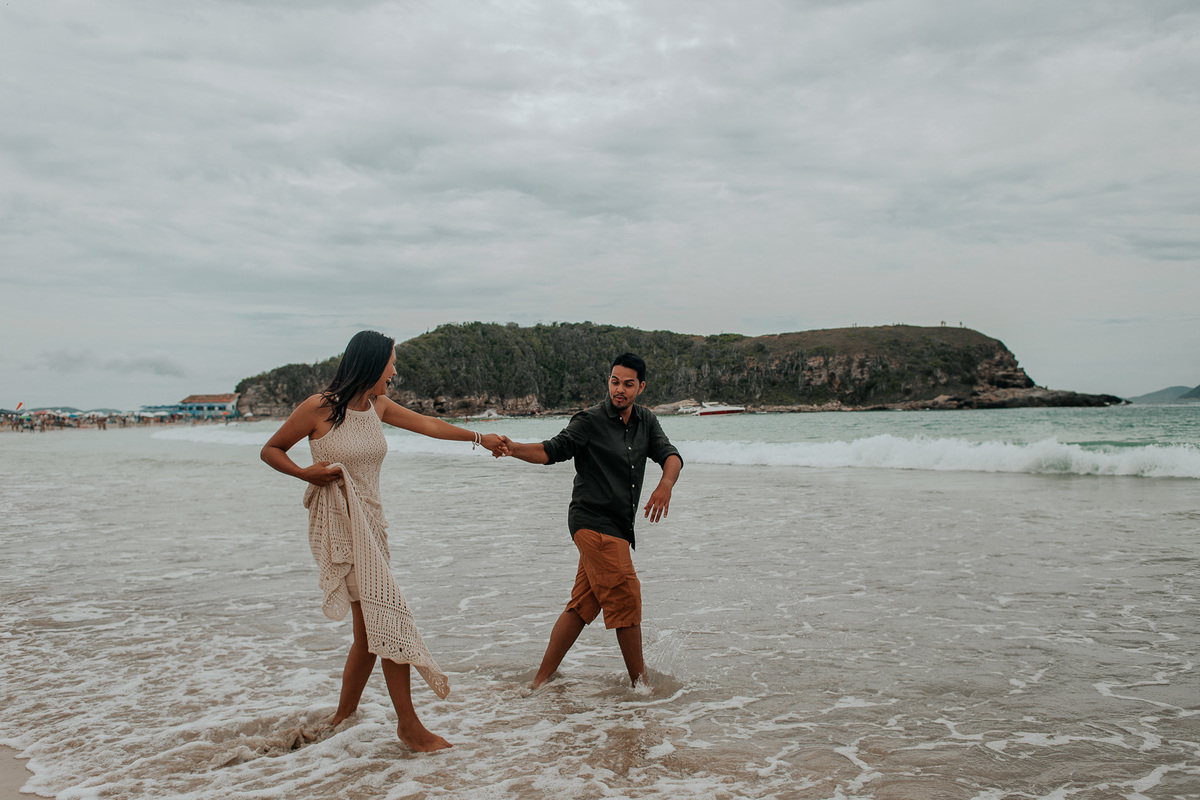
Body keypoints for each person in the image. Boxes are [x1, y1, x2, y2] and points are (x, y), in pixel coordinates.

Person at [261, 330, 505, 751]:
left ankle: (342, 717)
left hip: (374, 528)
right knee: (388, 619)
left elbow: (428, 425)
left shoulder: (377, 406)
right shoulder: (319, 408)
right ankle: (409, 727)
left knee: (368, 633)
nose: (395, 370)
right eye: (391, 362)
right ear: (372, 364)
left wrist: (480, 439)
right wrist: (305, 472)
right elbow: (271, 449)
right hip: (341, 528)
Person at [499, 353, 683, 689]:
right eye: (615, 381)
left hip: (618, 526)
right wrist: (515, 448)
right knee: (626, 595)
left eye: (628, 384)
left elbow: (670, 454)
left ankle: (539, 681)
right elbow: (552, 450)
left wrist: (665, 485)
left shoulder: (646, 421)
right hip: (590, 521)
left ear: (641, 386)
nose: (620, 390)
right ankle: (640, 688)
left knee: (583, 605)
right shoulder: (589, 420)